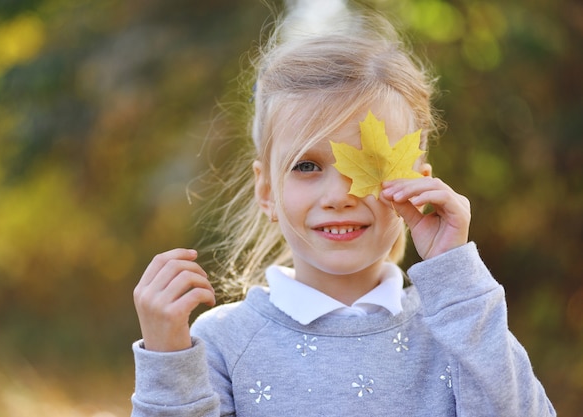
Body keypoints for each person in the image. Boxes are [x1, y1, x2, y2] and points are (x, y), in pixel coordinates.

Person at [130, 0, 556, 415]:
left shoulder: (458, 325)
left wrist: (456, 277)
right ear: (265, 190)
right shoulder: (222, 340)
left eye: (370, 165)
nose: (339, 195)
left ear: (419, 182)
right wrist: (167, 360)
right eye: (307, 165)